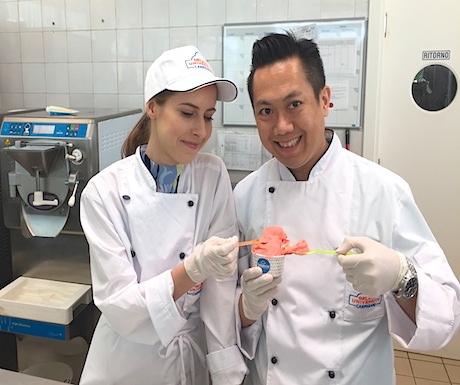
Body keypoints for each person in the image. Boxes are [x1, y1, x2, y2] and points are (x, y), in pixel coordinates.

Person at [233, 32, 460, 385]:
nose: (282, 127)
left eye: (294, 105)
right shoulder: (245, 196)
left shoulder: (384, 191)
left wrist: (402, 277)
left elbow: (446, 316)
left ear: (325, 100)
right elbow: (228, 318)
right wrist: (246, 308)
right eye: (266, 111)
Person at [79, 45, 248, 385]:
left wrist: (226, 368)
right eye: (188, 113)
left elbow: (219, 287)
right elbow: (121, 305)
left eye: (208, 115)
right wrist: (192, 269)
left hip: (191, 359)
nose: (201, 129)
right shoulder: (103, 192)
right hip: (127, 363)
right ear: (153, 107)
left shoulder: (212, 174)